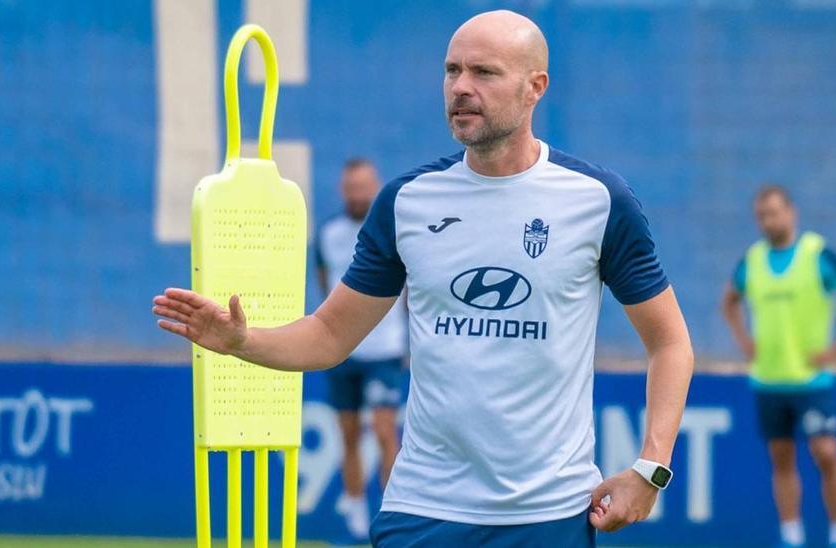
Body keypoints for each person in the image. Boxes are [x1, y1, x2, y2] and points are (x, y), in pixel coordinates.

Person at [153, 10, 694, 546]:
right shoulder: (406, 202)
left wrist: (651, 469)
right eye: (452, 70)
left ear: (536, 87)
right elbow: (328, 336)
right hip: (422, 511)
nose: (461, 87)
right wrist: (242, 341)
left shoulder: (599, 201)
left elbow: (670, 343)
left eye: (483, 73)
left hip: (549, 516)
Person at [721, 185, 836, 548]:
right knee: (781, 460)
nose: (768, 220)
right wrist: (744, 341)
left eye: (774, 212)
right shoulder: (752, 261)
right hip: (768, 380)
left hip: (811, 380)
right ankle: (790, 535)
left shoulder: (817, 255)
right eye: (761, 214)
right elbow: (729, 302)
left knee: (826, 453)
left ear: (791, 213)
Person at [314, 158, 409, 540]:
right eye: (351, 188)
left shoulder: (393, 229)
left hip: (385, 350)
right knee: (348, 434)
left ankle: (392, 512)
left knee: (386, 431)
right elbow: (325, 281)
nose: (357, 194)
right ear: (343, 190)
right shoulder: (329, 233)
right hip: (344, 352)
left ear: (376, 186)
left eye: (363, 187)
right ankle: (355, 506)